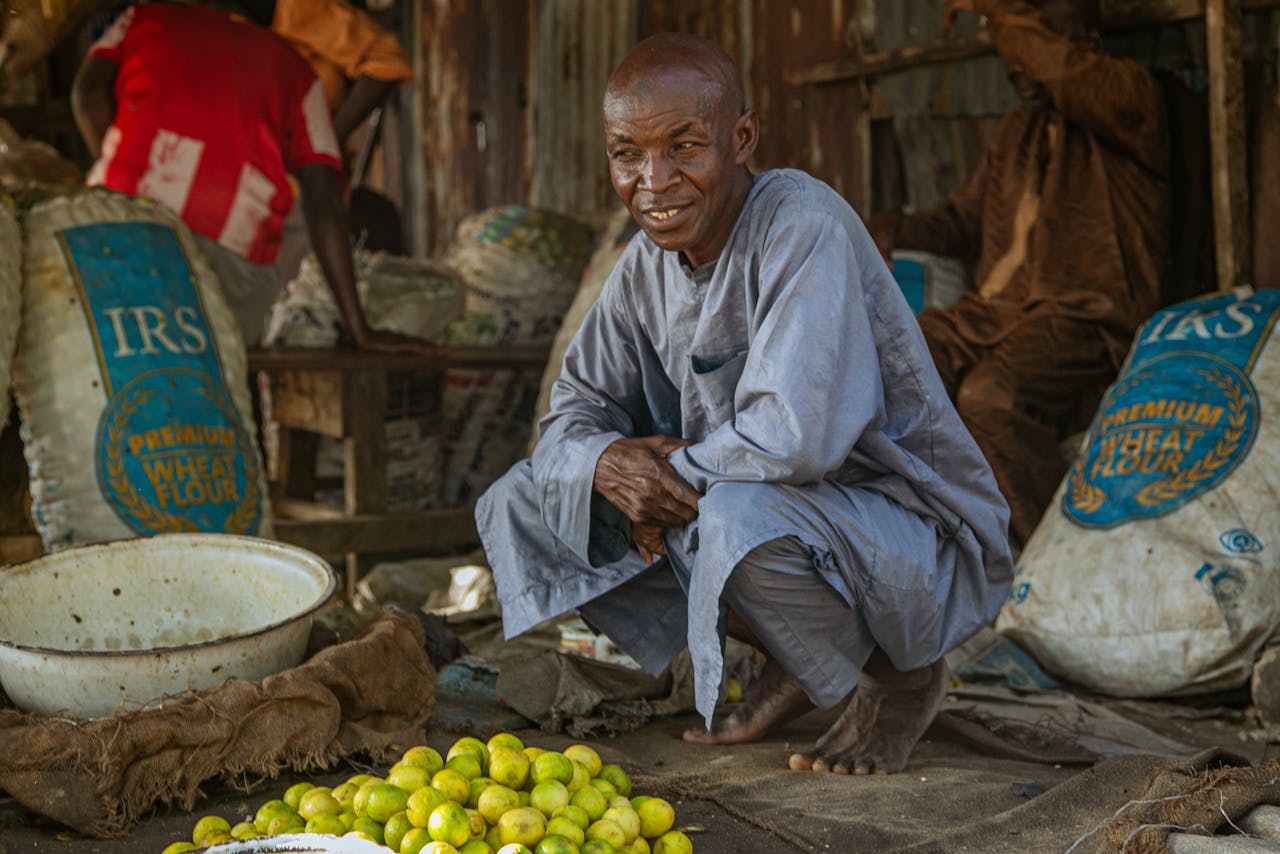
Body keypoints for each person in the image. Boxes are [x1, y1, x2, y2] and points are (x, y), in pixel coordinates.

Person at [476, 32, 1014, 775]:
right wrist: (605, 460)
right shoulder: (644, 266)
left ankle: (900, 675)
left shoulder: (802, 226)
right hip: (766, 513)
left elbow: (794, 439)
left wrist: (663, 470)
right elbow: (570, 411)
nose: (653, 181)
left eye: (683, 147)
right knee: (526, 500)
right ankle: (792, 660)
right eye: (627, 153)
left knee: (730, 513)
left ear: (742, 139)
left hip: (903, 532)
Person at [866, 0, 1171, 545]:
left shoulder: (1133, 105)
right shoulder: (1016, 133)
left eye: (1027, 45)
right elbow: (962, 219)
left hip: (1085, 317)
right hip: (992, 315)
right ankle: (937, 547)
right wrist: (894, 227)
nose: (1013, 62)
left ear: (1087, 46)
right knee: (889, 363)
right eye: (1007, 48)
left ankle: (1060, 558)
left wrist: (994, 11)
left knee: (990, 398)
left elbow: (1062, 67)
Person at [69, 2, 428, 353]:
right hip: (236, 230)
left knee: (98, 351)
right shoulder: (293, 68)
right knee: (225, 357)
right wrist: (359, 328)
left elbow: (86, 96)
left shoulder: (144, 18)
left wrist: (123, 174)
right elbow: (324, 202)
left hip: (110, 221)